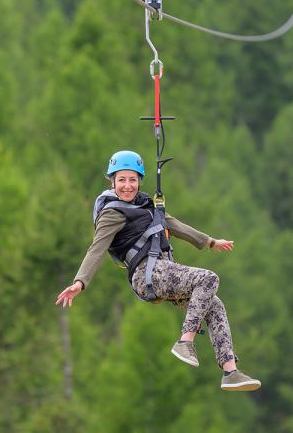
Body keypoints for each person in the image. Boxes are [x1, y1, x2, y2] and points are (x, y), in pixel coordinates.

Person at [55, 150, 261, 392]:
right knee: (208, 279)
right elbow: (96, 249)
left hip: (165, 271)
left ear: (139, 180)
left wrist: (209, 241)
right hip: (146, 275)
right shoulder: (111, 213)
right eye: (121, 180)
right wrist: (80, 282)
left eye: (132, 180)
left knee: (214, 304)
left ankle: (230, 371)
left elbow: (173, 224)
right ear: (112, 181)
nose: (127, 186)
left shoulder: (147, 205)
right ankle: (185, 341)